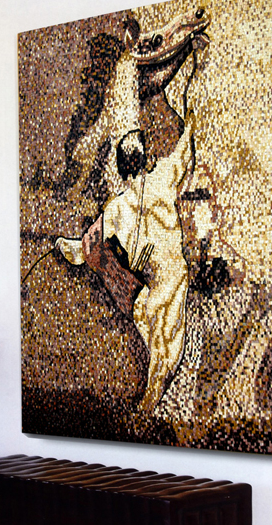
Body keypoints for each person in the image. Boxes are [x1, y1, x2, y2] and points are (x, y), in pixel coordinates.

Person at [56, 110, 195, 412]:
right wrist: (192, 122)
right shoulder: (164, 178)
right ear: (147, 160)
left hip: (153, 288)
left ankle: (148, 405)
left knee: (160, 351)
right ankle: (149, 405)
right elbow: (184, 152)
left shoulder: (117, 208)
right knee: (165, 354)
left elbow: (88, 244)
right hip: (167, 281)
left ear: (120, 169)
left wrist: (75, 249)